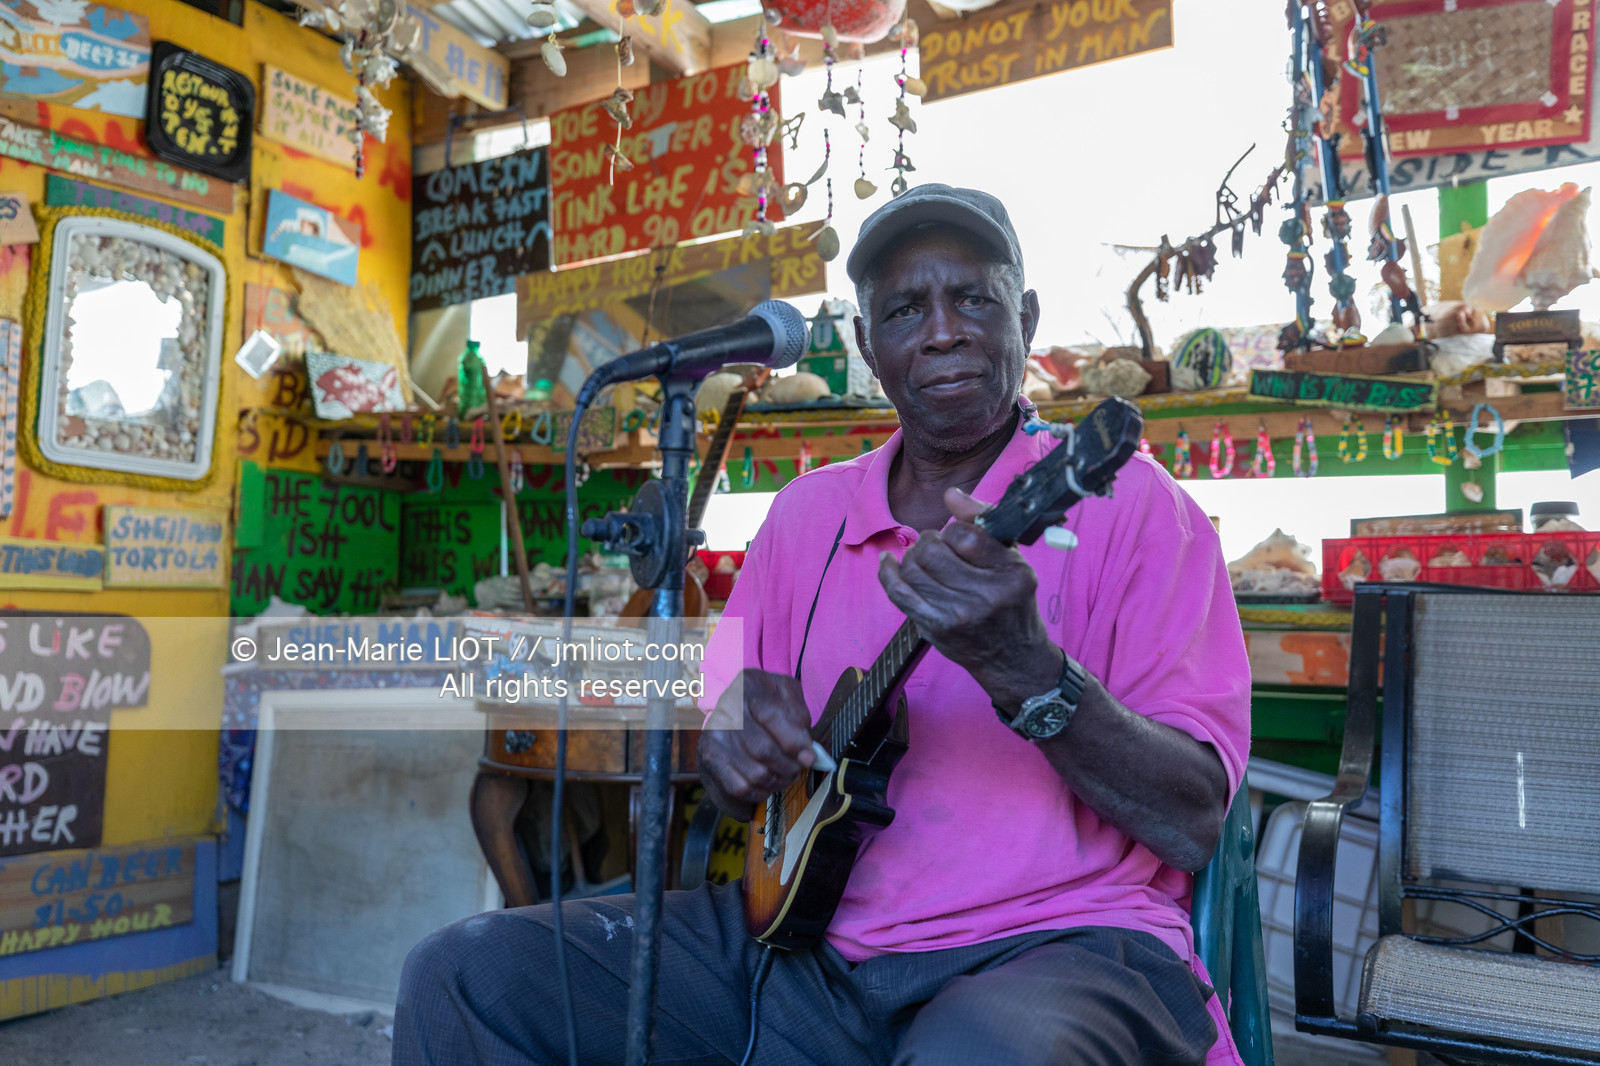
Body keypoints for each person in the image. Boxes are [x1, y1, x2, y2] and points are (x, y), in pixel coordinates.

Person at [394, 185, 1251, 1066]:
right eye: (906, 309)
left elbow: (1191, 821)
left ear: (1025, 318)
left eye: (973, 299)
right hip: (802, 941)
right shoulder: (805, 516)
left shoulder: (1134, 507)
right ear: (867, 346)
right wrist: (733, 746)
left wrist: (1028, 672)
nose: (943, 331)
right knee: (466, 975)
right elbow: (723, 750)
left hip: (1058, 945)